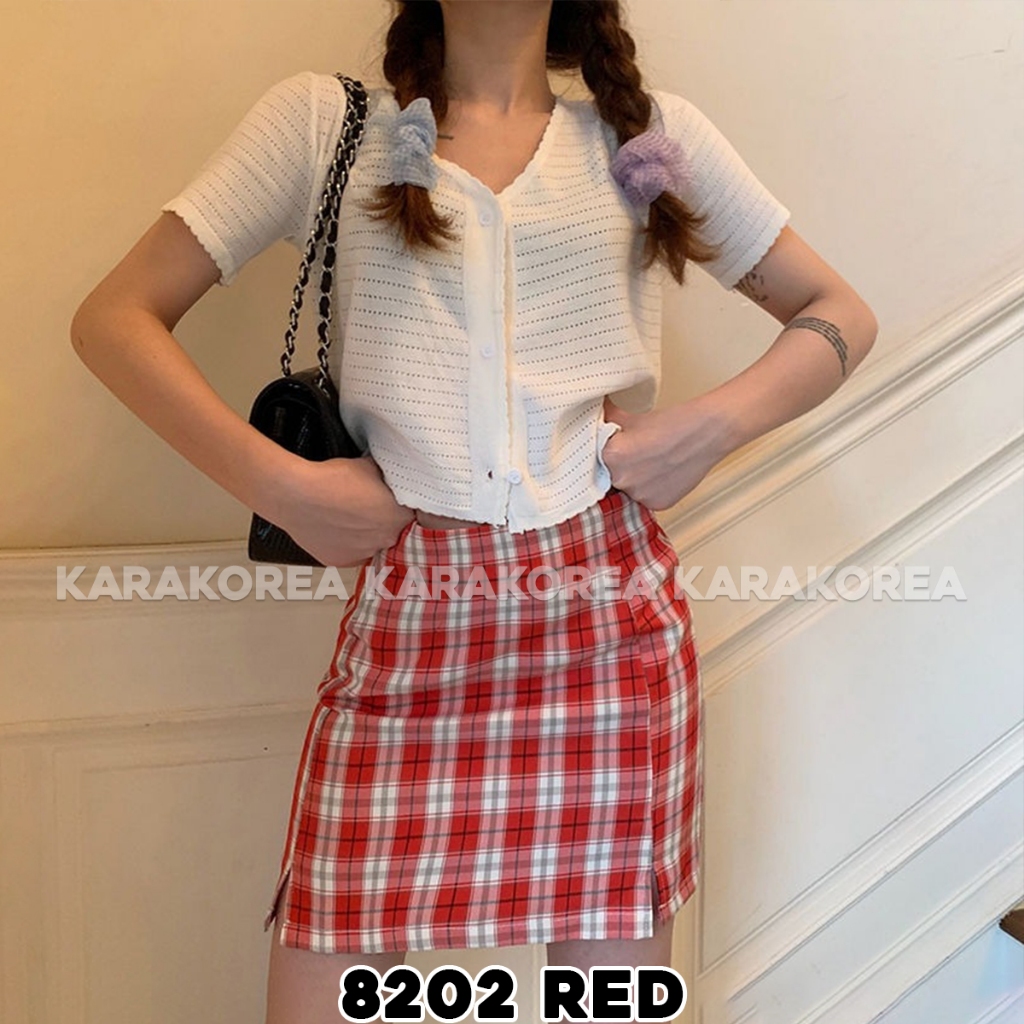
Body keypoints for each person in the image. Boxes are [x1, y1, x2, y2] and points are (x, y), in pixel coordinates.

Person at [69, 1, 877, 1020]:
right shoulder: (323, 127)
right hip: (411, 625)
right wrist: (288, 490)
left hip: (609, 631)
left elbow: (839, 314)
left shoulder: (647, 139)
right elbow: (114, 320)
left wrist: (704, 430)